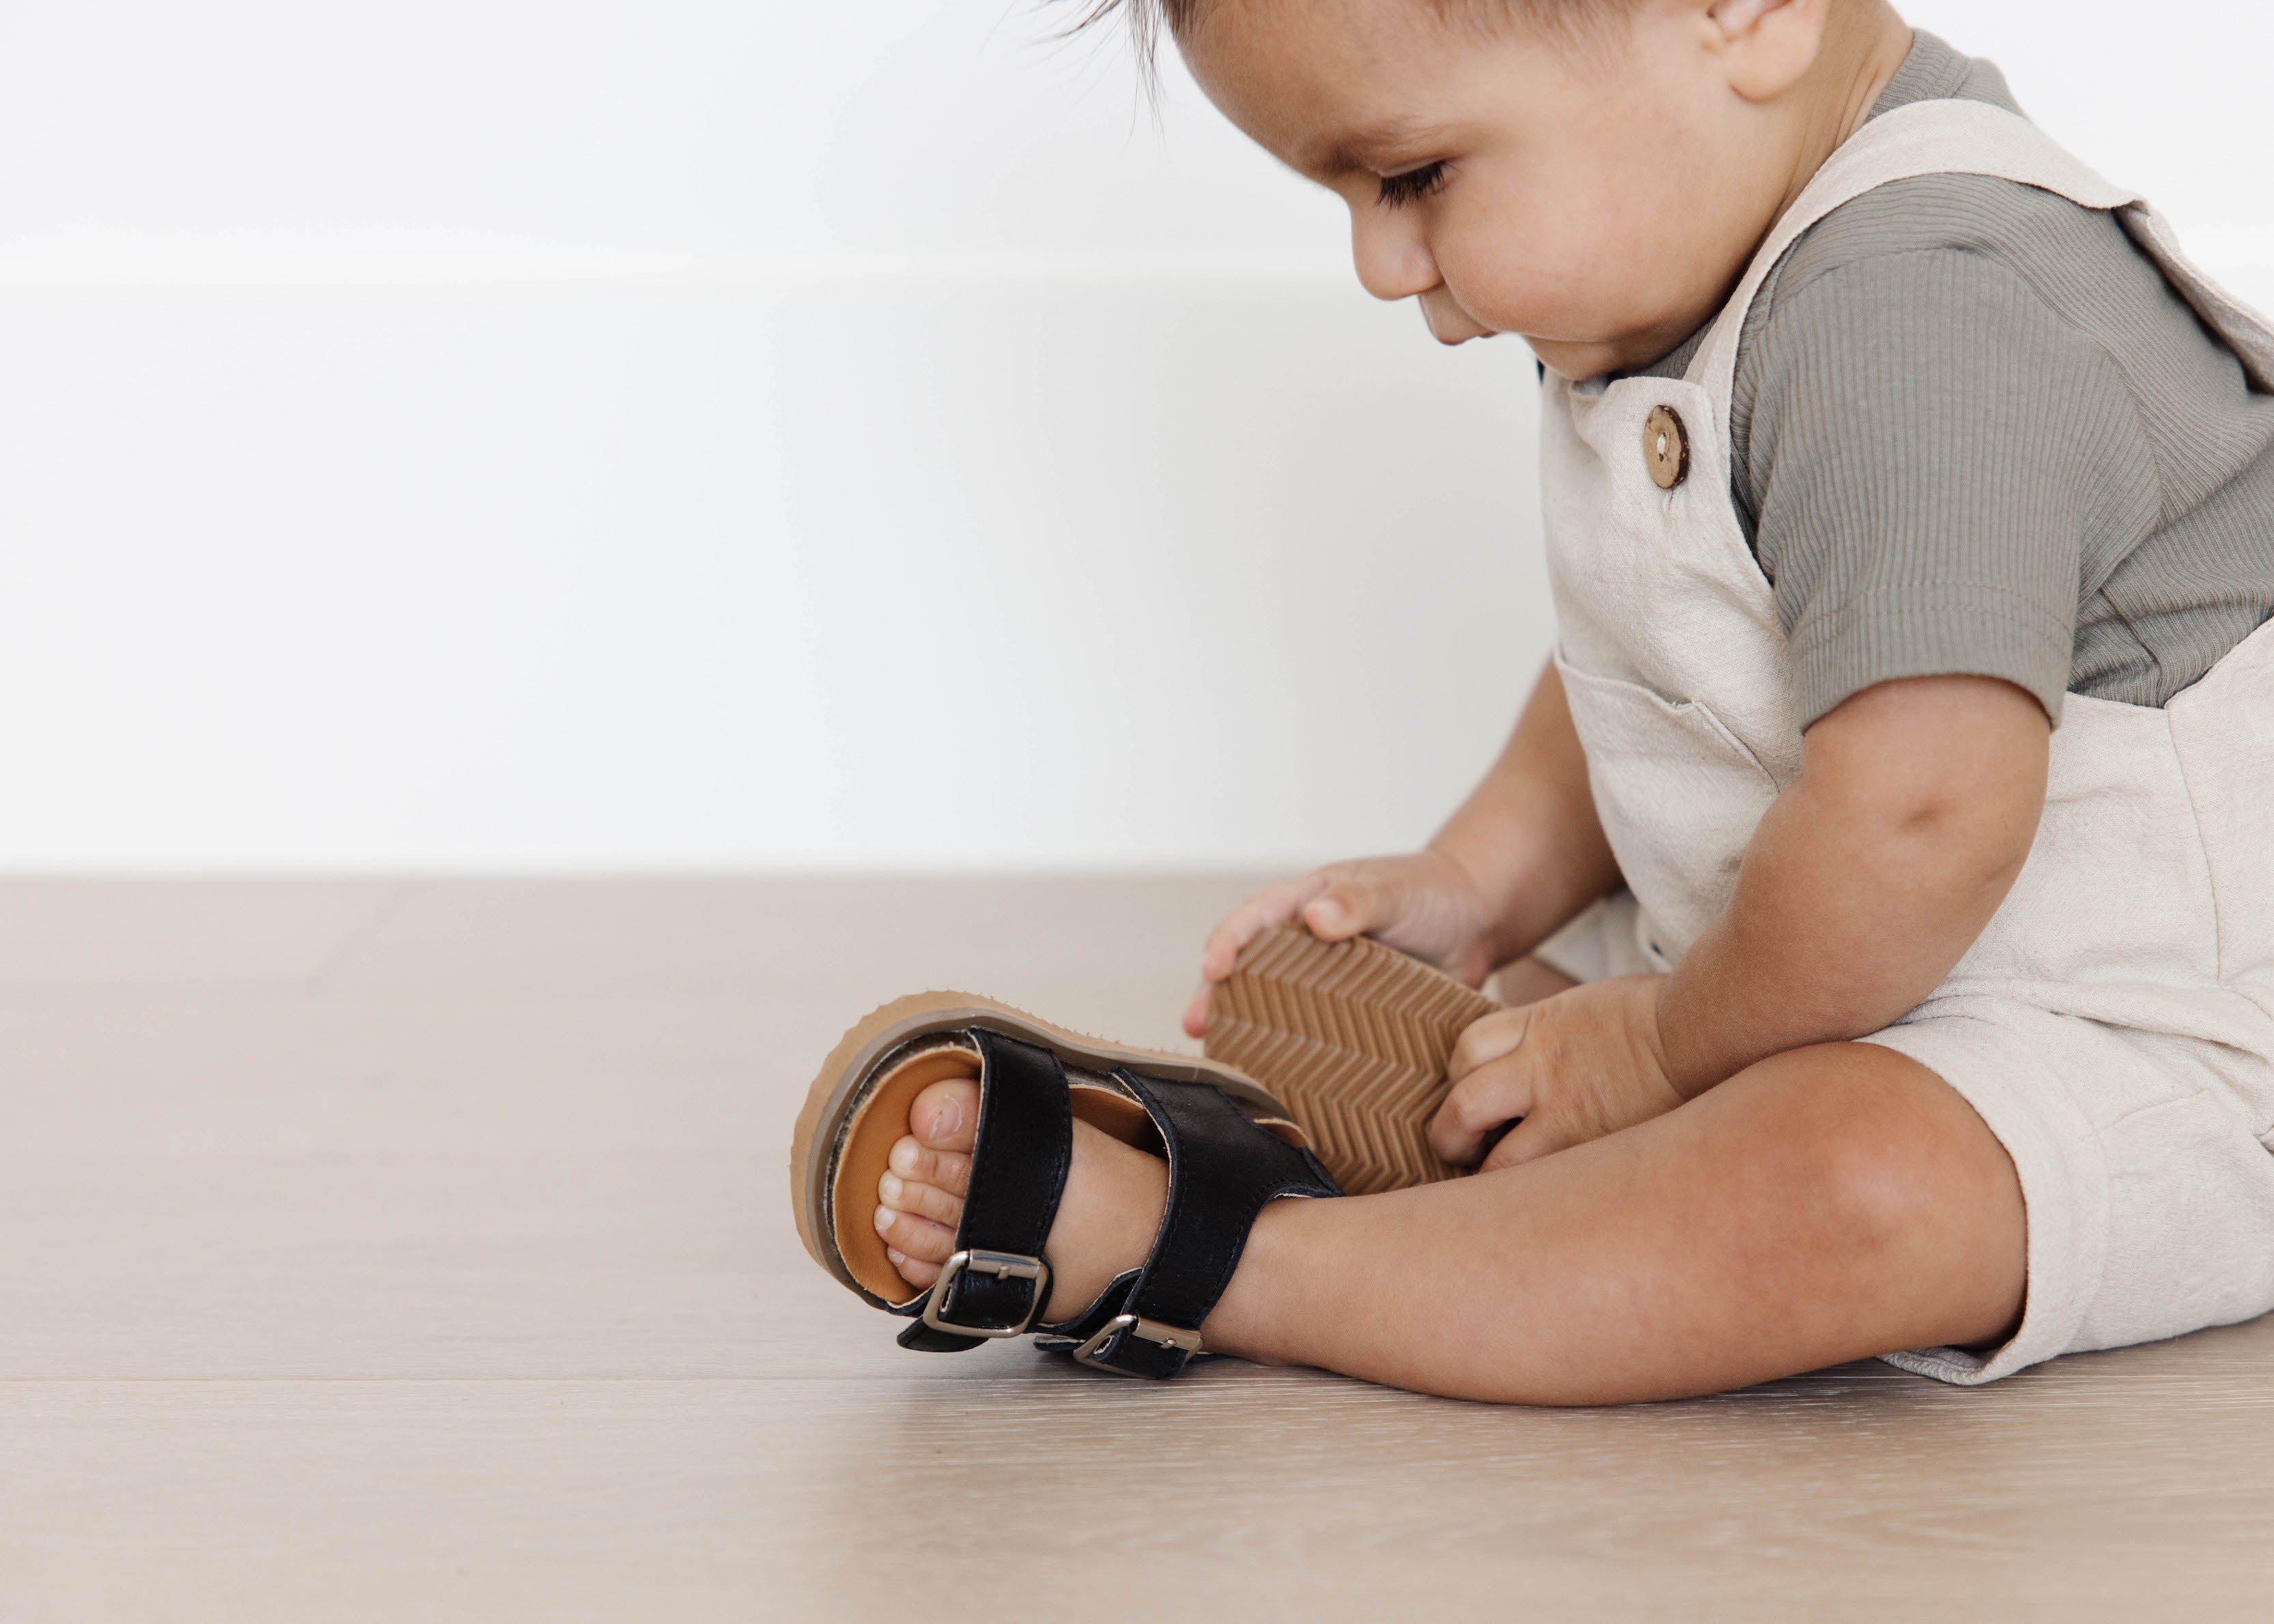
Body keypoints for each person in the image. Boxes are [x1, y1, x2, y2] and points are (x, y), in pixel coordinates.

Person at [844, 0, 2274, 1402]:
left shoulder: (1926, 308)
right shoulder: (1705, 249)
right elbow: (1676, 645)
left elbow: (1917, 817)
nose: (1379, 263)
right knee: (1519, 1044)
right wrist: (1482, 880)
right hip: (1846, 966)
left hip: (2173, 1038)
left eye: (1412, 177)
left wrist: (1659, 1043)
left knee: (1856, 1180)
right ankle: (1453, 1190)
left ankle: (1235, 1259)